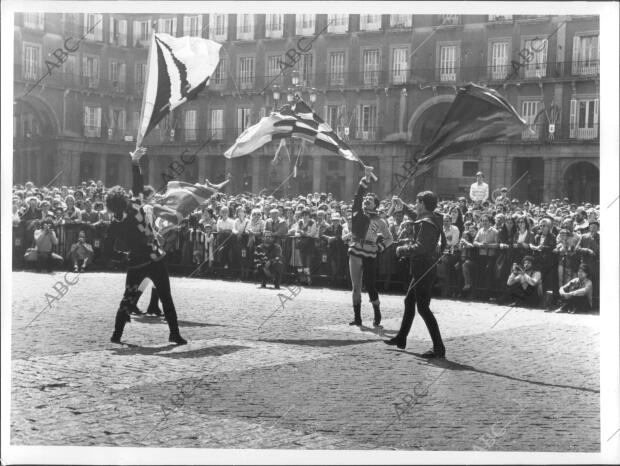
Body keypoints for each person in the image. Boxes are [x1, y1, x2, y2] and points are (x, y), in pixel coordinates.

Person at [103, 147, 186, 345]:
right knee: (166, 296)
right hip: (154, 257)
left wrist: (122, 257)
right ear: (123, 199)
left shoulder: (114, 224)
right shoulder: (135, 205)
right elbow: (138, 183)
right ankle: (174, 333)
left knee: (127, 299)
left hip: (134, 262)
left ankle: (117, 334)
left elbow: (107, 250)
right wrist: (134, 163)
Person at [384, 191, 445, 358]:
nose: (416, 206)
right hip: (424, 267)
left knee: (423, 309)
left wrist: (402, 249)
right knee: (409, 301)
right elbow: (417, 217)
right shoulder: (431, 218)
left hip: (423, 267)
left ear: (423, 204)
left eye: (417, 203)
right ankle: (401, 338)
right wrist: (403, 207)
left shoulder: (427, 222)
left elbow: (421, 247)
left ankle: (439, 348)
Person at [347, 168, 393, 327]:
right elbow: (358, 195)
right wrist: (366, 178)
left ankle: (377, 312)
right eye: (365, 198)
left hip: (370, 254)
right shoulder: (357, 212)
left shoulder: (380, 221)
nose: (366, 200)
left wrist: (379, 247)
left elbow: (389, 238)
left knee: (370, 284)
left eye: (370, 199)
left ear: (376, 204)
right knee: (356, 286)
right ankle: (357, 317)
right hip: (355, 251)